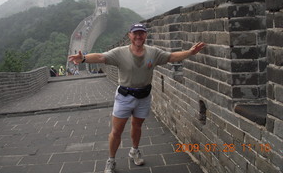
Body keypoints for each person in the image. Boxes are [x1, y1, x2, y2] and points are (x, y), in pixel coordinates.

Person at [68, 23, 205, 173]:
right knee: (116, 131)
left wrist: (190, 53)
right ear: (130, 36)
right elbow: (101, 57)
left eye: (142, 33)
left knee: (137, 126)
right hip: (124, 97)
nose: (138, 36)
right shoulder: (120, 53)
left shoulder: (153, 53)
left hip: (144, 96)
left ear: (146, 35)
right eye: (135, 33)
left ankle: (134, 151)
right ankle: (111, 160)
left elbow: (171, 57)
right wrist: (84, 59)